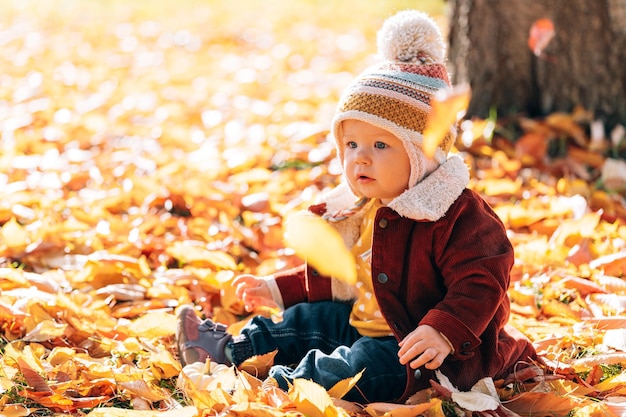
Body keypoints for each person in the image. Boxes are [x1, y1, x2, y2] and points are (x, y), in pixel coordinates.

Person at [176, 10, 538, 404]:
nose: (360, 159)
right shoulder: (367, 207)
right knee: (306, 322)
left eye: (381, 145)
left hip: (416, 354)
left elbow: (482, 280)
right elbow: (339, 275)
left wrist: (443, 330)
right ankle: (231, 351)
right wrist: (275, 289)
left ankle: (278, 389)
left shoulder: (455, 213)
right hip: (362, 324)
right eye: (351, 145)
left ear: (424, 154)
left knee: (350, 366)